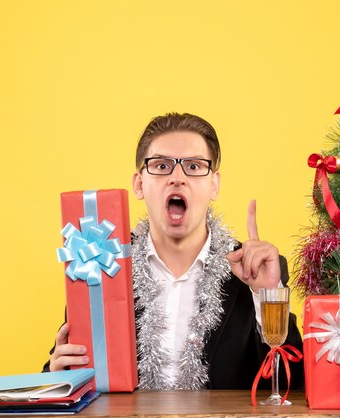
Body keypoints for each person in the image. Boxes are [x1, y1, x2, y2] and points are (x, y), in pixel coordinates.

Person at [44, 112, 304, 390]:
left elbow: (295, 386)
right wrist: (58, 376)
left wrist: (266, 295)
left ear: (213, 184)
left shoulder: (254, 269)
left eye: (193, 166)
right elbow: (63, 373)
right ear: (139, 183)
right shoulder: (102, 260)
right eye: (161, 165)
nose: (177, 178)